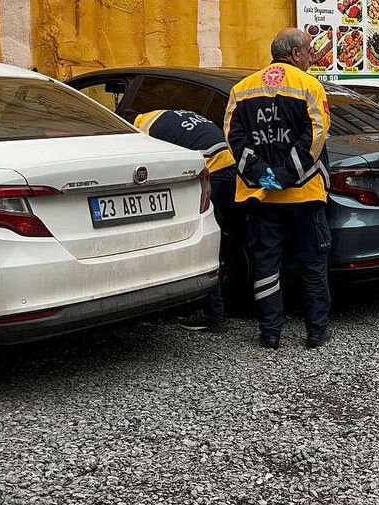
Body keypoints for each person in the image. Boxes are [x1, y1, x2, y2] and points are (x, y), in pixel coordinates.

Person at [225, 28, 333, 349]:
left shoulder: (241, 90)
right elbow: (316, 135)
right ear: (297, 54)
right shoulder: (310, 86)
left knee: (266, 265)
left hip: (261, 196)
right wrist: (288, 174)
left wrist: (262, 174)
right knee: (312, 264)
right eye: (310, 51)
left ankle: (270, 333)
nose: (312, 57)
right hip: (303, 195)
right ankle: (316, 332)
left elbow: (234, 137)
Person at [134, 109, 237, 333]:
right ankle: (223, 304)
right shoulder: (174, 116)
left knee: (203, 241)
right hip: (233, 169)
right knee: (223, 239)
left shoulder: (146, 129)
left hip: (213, 173)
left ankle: (214, 314)